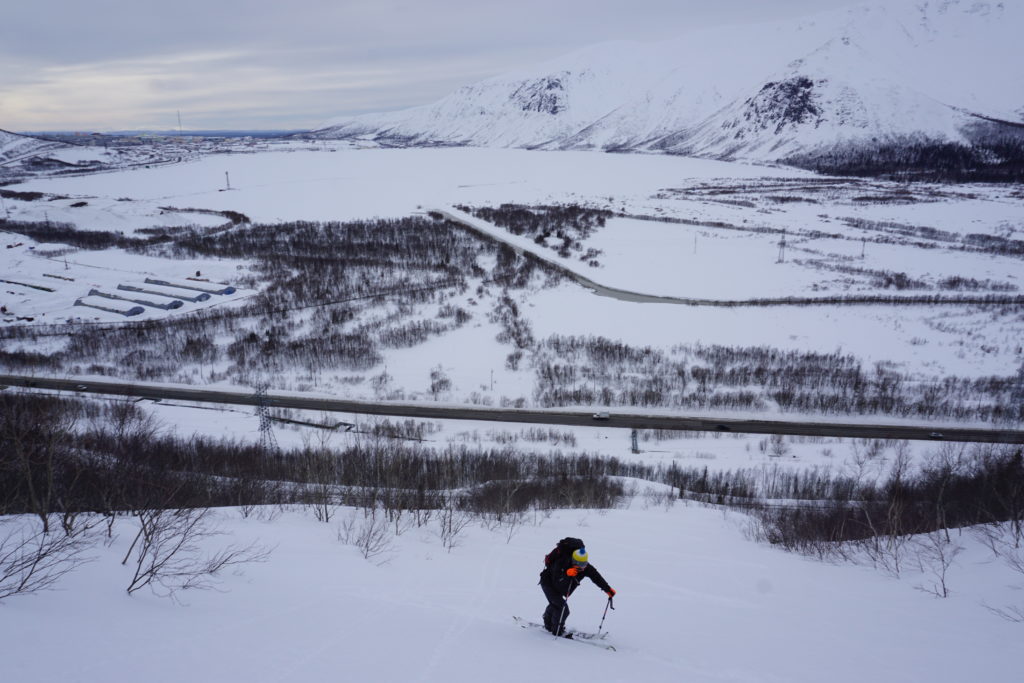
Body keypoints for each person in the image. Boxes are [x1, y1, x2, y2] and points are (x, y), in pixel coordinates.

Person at [539, 539, 616, 637]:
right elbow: (556, 578)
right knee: (563, 609)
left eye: (584, 564)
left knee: (556, 604)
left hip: (560, 588)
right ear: (573, 560)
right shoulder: (562, 561)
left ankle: (548, 623)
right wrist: (566, 573)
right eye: (579, 564)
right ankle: (557, 630)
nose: (582, 567)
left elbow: (596, 577)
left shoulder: (584, 566)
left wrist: (607, 589)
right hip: (548, 584)